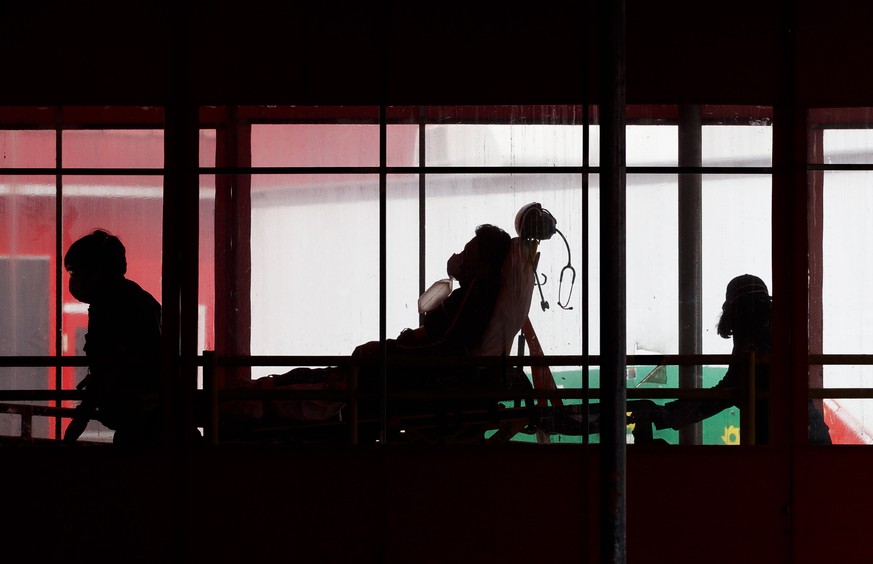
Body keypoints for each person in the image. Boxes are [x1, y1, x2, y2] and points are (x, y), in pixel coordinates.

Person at [646, 274, 832, 444]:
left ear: (733, 310)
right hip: (809, 431)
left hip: (776, 435)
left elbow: (728, 391)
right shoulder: (779, 333)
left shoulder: (752, 341)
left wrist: (666, 414)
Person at [62, 229, 165, 445]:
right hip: (156, 416)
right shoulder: (138, 297)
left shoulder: (108, 306)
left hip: (141, 420)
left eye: (74, 273)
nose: (73, 281)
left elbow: (109, 365)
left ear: (95, 272)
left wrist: (79, 421)